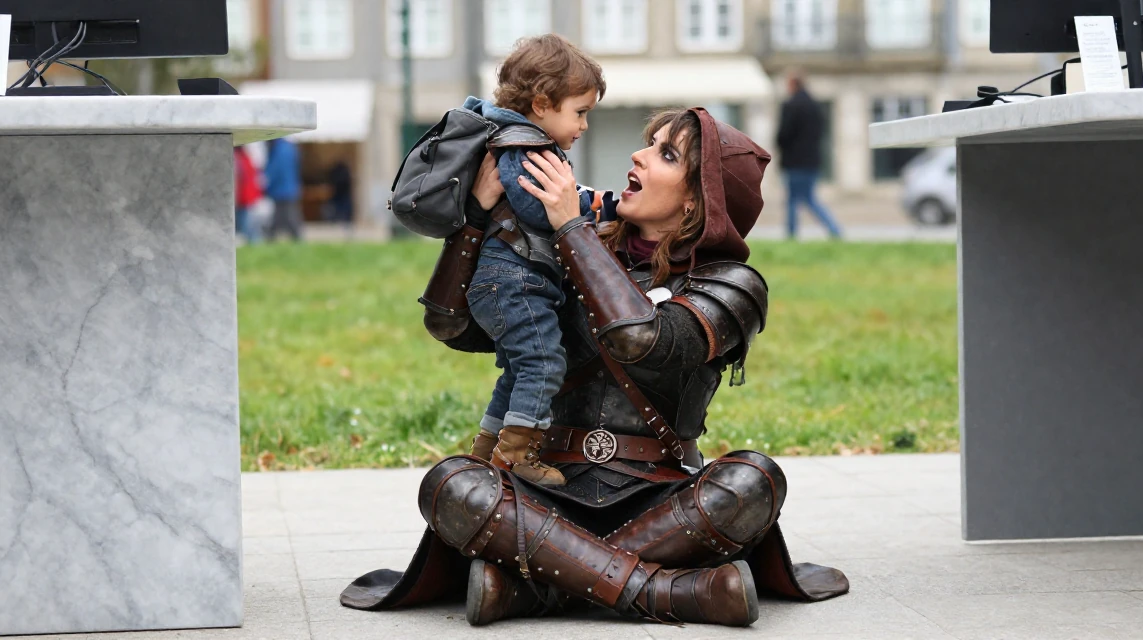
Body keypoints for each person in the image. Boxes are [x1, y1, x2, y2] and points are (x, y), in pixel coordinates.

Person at [340, 108, 849, 627]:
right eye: (649, 144)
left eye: (665, 154)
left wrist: (569, 225)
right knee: (451, 484)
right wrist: (474, 218)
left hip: (662, 499)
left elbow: (639, 341)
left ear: (697, 200)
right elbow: (452, 326)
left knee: (753, 480)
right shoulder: (566, 248)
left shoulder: (732, 284)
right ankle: (673, 591)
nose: (638, 155)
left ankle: (537, 588)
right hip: (547, 487)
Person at [460, 34, 605, 486]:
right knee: (544, 363)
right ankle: (515, 459)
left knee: (520, 369)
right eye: (579, 112)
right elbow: (534, 206)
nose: (583, 125)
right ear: (542, 103)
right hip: (512, 279)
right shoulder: (527, 145)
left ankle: (485, 455)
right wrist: (585, 206)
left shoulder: (521, 140)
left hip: (509, 279)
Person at [776, 71, 841, 240]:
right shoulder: (815, 106)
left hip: (794, 162)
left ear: (792, 85)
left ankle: (791, 235)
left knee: (794, 200)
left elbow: (783, 135)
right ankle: (834, 230)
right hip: (812, 160)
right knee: (808, 198)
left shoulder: (790, 105)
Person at [263, 137, 304, 242]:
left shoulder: (280, 149)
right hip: (289, 189)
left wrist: (265, 180)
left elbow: (275, 169)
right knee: (285, 217)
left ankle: (296, 239)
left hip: (282, 190)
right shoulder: (288, 147)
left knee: (286, 217)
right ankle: (295, 239)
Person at [233, 145, 263, 244]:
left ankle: (253, 243)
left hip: (243, 198)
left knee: (245, 228)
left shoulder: (239, 158)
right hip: (247, 198)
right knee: (248, 226)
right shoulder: (245, 157)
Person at [327, 160, 354, 235]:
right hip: (342, 194)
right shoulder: (345, 173)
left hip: (340, 194)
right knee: (344, 210)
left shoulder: (338, 173)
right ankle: (345, 224)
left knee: (340, 209)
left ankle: (341, 223)